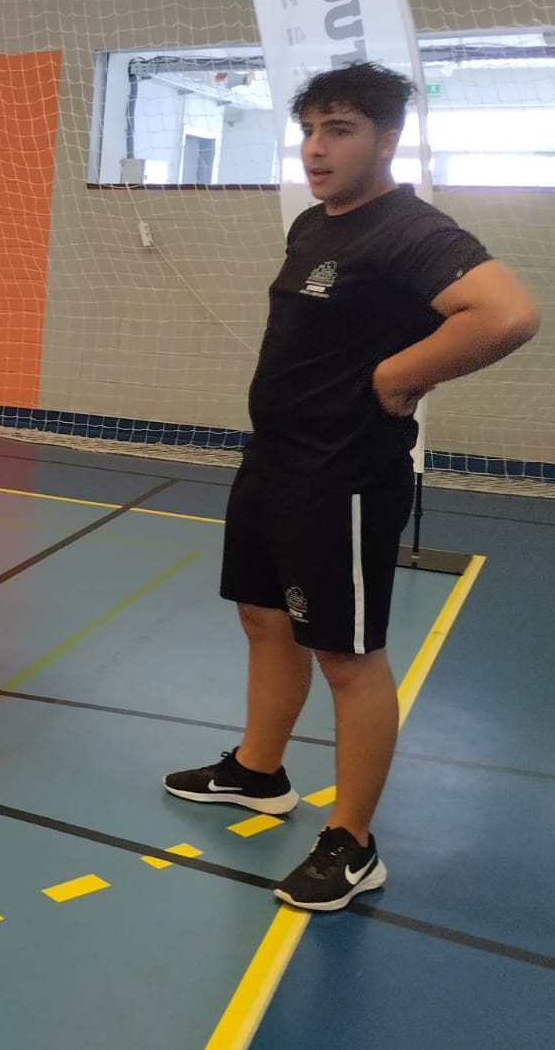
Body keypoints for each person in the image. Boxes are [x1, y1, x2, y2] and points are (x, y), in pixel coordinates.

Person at [162, 62, 540, 912]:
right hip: (274, 460)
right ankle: (259, 771)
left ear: (387, 139)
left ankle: (354, 843)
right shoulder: (313, 223)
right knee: (264, 620)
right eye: (309, 131)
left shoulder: (410, 229)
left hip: (344, 477)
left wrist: (397, 379)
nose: (316, 149)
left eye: (339, 130)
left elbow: (507, 314)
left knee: (347, 656)